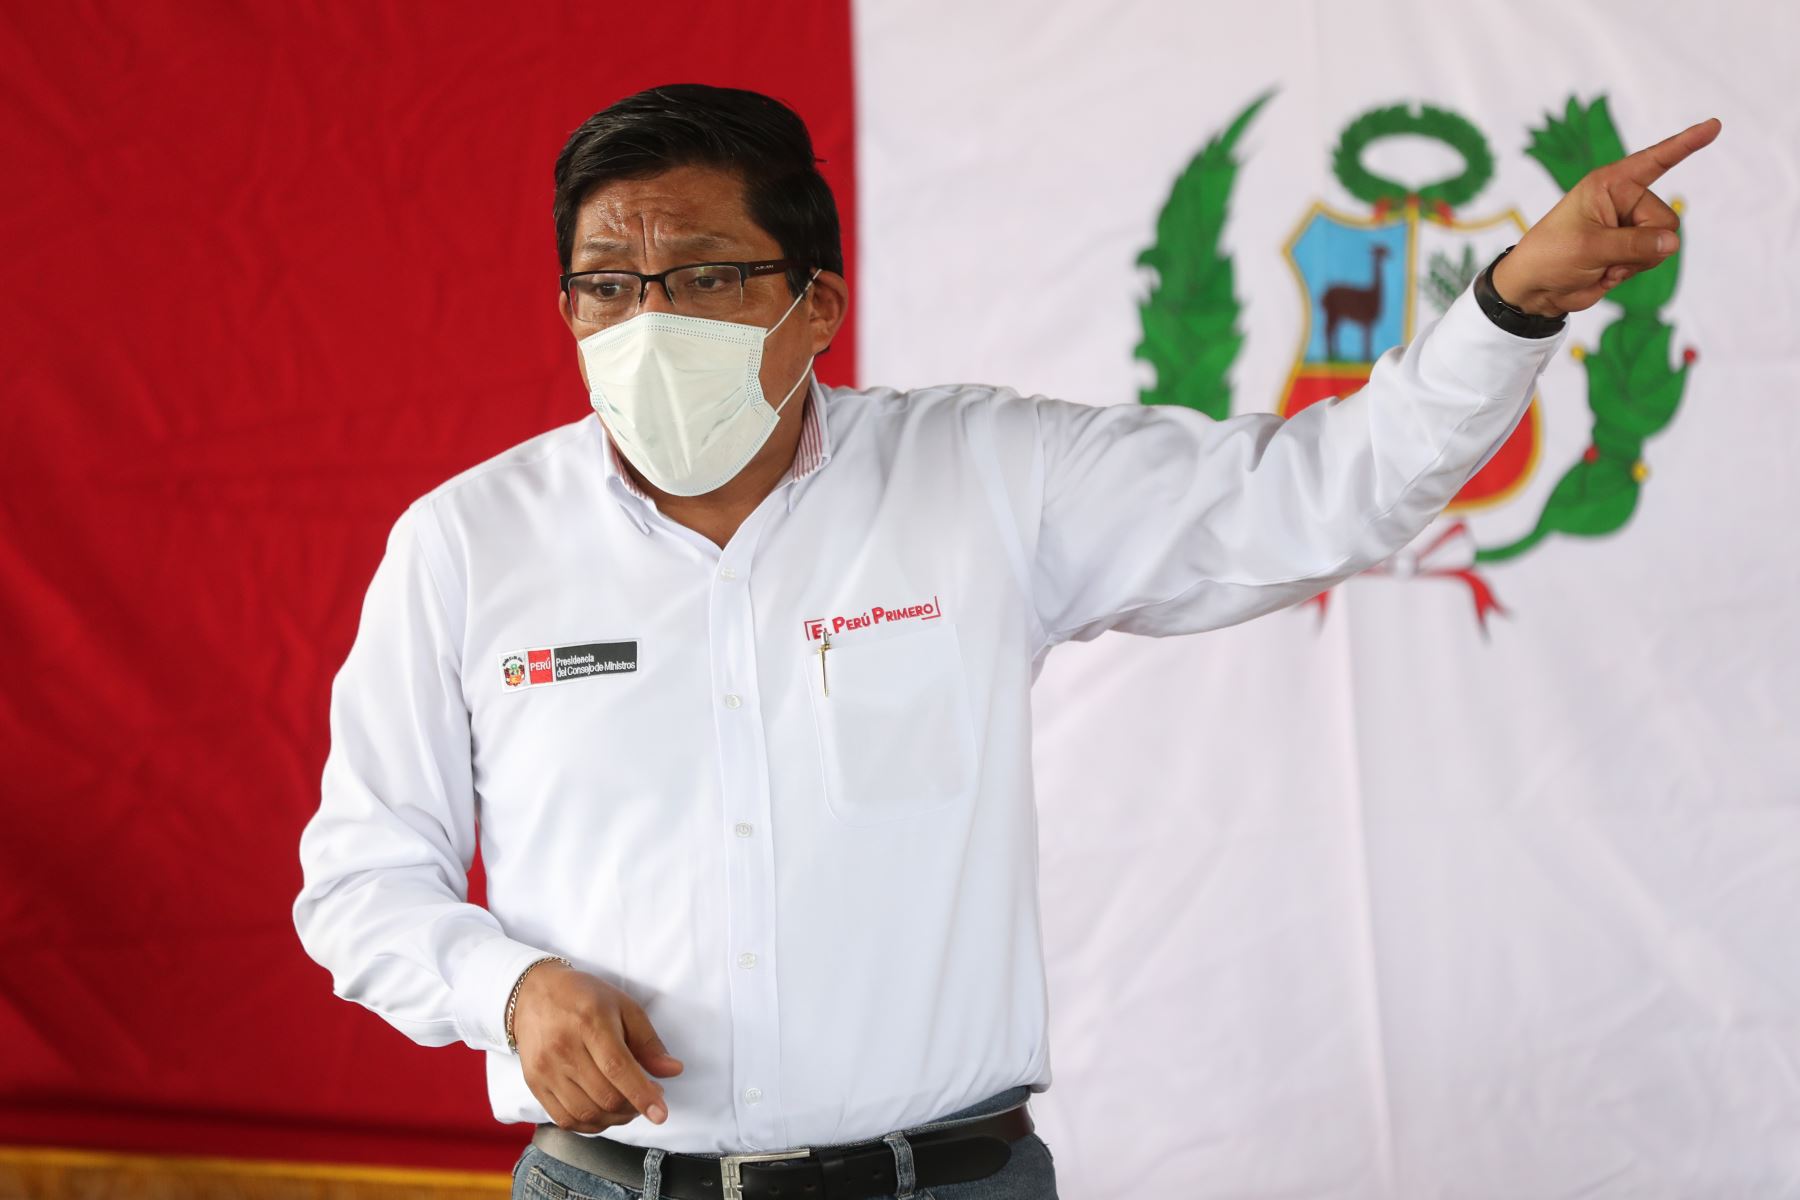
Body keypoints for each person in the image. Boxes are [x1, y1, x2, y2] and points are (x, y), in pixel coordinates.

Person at [292, 84, 1718, 1200]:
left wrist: (1510, 305)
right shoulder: (467, 543)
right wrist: (508, 990)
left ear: (816, 303)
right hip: (607, 1187)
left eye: (708, 276)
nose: (648, 323)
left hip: (945, 1182)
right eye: (609, 284)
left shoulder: (986, 476)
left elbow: (1313, 493)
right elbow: (359, 880)